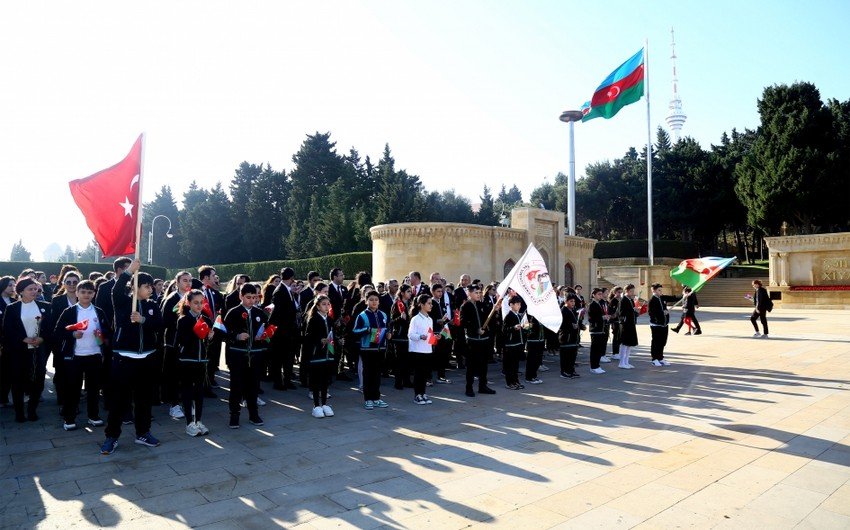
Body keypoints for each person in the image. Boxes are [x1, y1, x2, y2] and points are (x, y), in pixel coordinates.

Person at [100, 259, 163, 455]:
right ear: (135, 288)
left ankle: (143, 433)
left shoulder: (153, 305)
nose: (150, 290)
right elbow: (115, 290)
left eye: (151, 286)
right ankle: (112, 436)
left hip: (147, 358)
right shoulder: (123, 302)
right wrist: (128, 272)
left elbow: (159, 326)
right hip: (124, 358)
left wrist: (143, 320)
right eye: (146, 286)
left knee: (144, 399)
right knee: (118, 400)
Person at [53, 279, 109, 430]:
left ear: (94, 294)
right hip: (75, 356)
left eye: (89, 292)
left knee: (93, 388)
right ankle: (69, 418)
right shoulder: (70, 311)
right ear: (76, 293)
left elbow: (107, 331)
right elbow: (58, 332)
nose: (86, 295)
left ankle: (93, 416)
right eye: (83, 292)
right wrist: (71, 334)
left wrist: (102, 335)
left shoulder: (99, 311)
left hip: (94, 355)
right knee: (73, 388)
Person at [1, 277, 52, 422]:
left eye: (36, 289)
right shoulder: (12, 308)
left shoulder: (45, 306)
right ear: (21, 291)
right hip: (18, 350)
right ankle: (19, 412)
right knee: (17, 381)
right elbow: (7, 330)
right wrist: (23, 338)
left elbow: (50, 327)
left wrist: (41, 338)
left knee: (38, 380)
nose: (34, 291)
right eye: (30, 289)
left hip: (37, 350)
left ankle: (32, 410)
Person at [223, 283, 267, 428]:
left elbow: (264, 330)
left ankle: (253, 414)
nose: (252, 301)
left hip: (255, 355)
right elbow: (224, 333)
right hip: (238, 355)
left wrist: (265, 336)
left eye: (254, 297)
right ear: (241, 296)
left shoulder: (259, 313)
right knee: (236, 386)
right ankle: (234, 415)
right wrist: (237, 335)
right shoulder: (233, 312)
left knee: (253, 386)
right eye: (248, 297)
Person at [175, 290, 214, 437]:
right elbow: (182, 340)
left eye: (201, 302)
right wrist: (197, 332)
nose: (199, 305)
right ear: (188, 303)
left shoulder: (206, 319)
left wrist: (210, 336)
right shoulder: (183, 319)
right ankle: (189, 423)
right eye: (195, 302)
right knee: (187, 391)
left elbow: (209, 343)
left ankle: (198, 420)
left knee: (199, 391)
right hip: (187, 361)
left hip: (201, 361)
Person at [160, 271, 193, 420]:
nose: (188, 283)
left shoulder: (193, 297)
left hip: (189, 342)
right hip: (173, 342)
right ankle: (174, 404)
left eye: (190, 281)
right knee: (173, 374)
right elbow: (164, 321)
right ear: (177, 282)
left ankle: (186, 402)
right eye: (185, 280)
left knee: (187, 374)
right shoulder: (171, 299)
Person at [352, 291, 391, 409]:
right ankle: (368, 399)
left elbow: (387, 328)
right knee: (368, 374)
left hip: (380, 348)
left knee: (377, 374)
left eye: (376, 300)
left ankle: (377, 398)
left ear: (379, 302)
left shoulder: (383, 315)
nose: (374, 302)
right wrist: (367, 329)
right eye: (371, 299)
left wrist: (389, 334)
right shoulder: (362, 315)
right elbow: (355, 331)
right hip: (367, 349)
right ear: (366, 301)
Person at [303, 294, 336, 418]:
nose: (327, 306)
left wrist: (336, 340)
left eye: (328, 304)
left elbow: (332, 335)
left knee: (325, 381)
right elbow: (308, 337)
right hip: (316, 355)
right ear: (317, 306)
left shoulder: (329, 319)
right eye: (323, 304)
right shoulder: (313, 319)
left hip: (328, 354)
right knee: (316, 381)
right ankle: (316, 405)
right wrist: (319, 340)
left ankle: (325, 404)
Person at [460, 284, 496, 397]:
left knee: (483, 364)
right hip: (472, 340)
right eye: (476, 292)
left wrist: (494, 310)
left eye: (480, 292)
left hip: (484, 340)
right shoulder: (465, 306)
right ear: (469, 293)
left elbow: (487, 318)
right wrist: (476, 330)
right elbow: (463, 322)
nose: (479, 294)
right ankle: (469, 388)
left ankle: (482, 386)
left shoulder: (481, 304)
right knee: (471, 365)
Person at [268, 267, 299, 390]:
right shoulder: (279, 291)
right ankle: (278, 382)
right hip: (282, 332)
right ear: (291, 278)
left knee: (288, 357)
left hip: (288, 330)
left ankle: (287, 380)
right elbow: (277, 313)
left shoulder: (286, 290)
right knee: (279, 358)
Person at [198, 265, 225, 394]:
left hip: (215, 330)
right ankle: (202, 384)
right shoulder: (197, 291)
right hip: (201, 330)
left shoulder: (214, 292)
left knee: (213, 356)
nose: (215, 278)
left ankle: (210, 379)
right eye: (213, 275)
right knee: (203, 357)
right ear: (206, 277)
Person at [407, 294, 435, 405]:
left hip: (427, 350)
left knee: (425, 374)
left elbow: (430, 335)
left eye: (431, 303)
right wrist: (420, 337)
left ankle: (423, 393)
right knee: (418, 374)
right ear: (421, 305)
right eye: (428, 303)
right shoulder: (415, 319)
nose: (431, 305)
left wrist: (434, 337)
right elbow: (410, 334)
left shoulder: (430, 319)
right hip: (417, 350)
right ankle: (417, 395)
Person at [390, 284, 413, 390]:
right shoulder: (397, 304)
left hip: (408, 335)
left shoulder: (410, 303)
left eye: (410, 291)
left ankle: (407, 381)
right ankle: (398, 382)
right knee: (400, 360)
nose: (410, 293)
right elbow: (392, 321)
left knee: (407, 360)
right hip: (399, 336)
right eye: (408, 291)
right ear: (402, 293)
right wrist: (400, 318)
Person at [428, 283, 452, 385]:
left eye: (441, 291)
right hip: (433, 332)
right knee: (432, 355)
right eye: (438, 291)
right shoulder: (430, 303)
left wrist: (447, 321)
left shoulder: (442, 303)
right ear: (433, 292)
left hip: (443, 331)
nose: (440, 293)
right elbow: (429, 319)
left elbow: (444, 318)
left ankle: (441, 376)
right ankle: (428, 378)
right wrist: (438, 321)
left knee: (443, 353)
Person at [501, 295, 525, 389]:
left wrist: (525, 327)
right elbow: (504, 330)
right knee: (509, 365)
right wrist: (513, 328)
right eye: (517, 304)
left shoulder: (518, 315)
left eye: (520, 304)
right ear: (511, 305)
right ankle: (509, 383)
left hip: (517, 343)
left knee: (515, 365)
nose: (519, 306)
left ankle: (515, 381)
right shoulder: (509, 316)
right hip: (510, 344)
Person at [0, 276, 17, 406]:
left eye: (14, 285)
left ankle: (5, 396)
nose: (13, 288)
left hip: (12, 342)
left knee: (9, 371)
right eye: (10, 285)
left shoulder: (14, 302)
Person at [648, 283, 672, 367]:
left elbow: (673, 298)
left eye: (661, 290)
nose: (661, 292)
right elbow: (651, 313)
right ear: (653, 290)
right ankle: (654, 359)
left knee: (662, 342)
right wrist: (662, 313)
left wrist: (684, 296)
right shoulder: (652, 300)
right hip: (656, 325)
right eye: (659, 290)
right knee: (656, 342)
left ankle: (660, 358)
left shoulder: (662, 298)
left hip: (664, 324)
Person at [558, 295, 582, 378]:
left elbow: (576, 321)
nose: (573, 303)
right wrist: (572, 326)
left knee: (572, 355)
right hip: (566, 337)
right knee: (566, 356)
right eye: (571, 301)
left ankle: (571, 370)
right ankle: (564, 372)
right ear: (566, 302)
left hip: (573, 336)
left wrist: (580, 325)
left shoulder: (573, 310)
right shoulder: (563, 311)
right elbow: (561, 325)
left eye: (574, 301)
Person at [617, 284, 639, 369]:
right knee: (625, 343)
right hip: (626, 324)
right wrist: (632, 311)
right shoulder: (623, 300)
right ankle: (621, 362)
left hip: (631, 323)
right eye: (631, 291)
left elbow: (632, 311)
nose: (632, 292)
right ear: (626, 291)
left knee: (629, 344)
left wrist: (636, 311)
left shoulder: (630, 299)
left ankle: (626, 361)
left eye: (633, 291)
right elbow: (622, 312)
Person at [587, 288, 609, 374]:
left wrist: (604, 317)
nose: (600, 296)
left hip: (600, 329)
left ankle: (597, 365)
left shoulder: (599, 303)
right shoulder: (592, 304)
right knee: (595, 349)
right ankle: (593, 366)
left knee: (598, 349)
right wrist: (602, 317)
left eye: (601, 294)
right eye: (599, 294)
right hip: (595, 329)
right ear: (594, 295)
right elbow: (591, 318)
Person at [524, 314, 545, 385]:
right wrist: (530, 326)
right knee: (531, 360)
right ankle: (529, 377)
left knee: (538, 359)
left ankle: (534, 375)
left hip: (540, 340)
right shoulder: (528, 315)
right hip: (532, 341)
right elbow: (525, 327)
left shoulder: (540, 316)